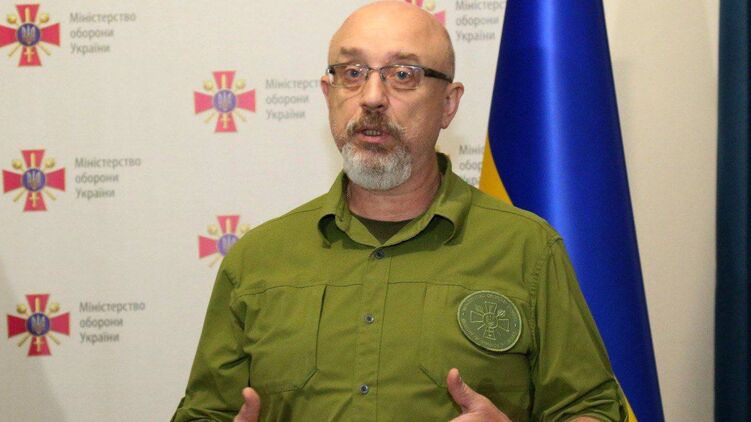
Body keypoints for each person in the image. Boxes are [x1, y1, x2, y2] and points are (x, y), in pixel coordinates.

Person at [172, 1, 627, 421]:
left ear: (448, 104)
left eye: (403, 74)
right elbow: (204, 412)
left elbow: (591, 408)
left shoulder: (527, 249)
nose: (372, 96)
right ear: (328, 93)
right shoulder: (258, 259)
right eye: (352, 73)